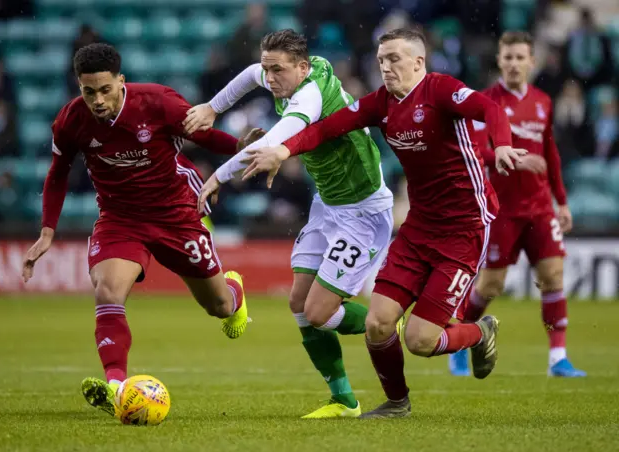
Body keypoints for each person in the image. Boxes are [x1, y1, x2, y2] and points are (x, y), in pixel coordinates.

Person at [240, 28, 526, 418]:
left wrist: (504, 143)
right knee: (377, 324)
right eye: (381, 61)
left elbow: (490, 110)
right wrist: (282, 149)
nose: (386, 67)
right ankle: (397, 403)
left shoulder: (441, 90)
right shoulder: (381, 103)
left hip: (465, 228)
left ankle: (480, 332)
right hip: (418, 226)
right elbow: (326, 128)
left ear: (418, 62)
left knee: (421, 340)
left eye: (394, 59)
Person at [21, 43, 256, 418]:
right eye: (88, 91)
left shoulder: (158, 102)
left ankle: (233, 290)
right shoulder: (71, 120)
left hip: (175, 212)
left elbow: (202, 134)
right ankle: (117, 387)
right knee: (108, 289)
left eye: (104, 90)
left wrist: (239, 147)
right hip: (120, 217)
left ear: (121, 81)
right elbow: (58, 173)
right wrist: (47, 231)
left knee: (218, 307)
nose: (97, 100)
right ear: (79, 87)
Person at [184, 29, 395, 419]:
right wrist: (213, 108)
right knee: (299, 303)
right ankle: (344, 400)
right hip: (328, 205)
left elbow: (274, 143)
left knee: (318, 313)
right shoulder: (282, 72)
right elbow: (250, 75)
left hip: (363, 212)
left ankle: (386, 325)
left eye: (277, 71)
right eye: (269, 68)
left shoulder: (310, 96)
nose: (270, 78)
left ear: (301, 68)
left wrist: (218, 177)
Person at [449, 32, 586, 378]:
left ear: (531, 62)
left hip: (539, 206)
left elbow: (550, 154)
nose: (513, 63)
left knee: (552, 276)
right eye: (507, 57)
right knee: (491, 285)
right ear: (499, 60)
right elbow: (476, 151)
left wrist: (562, 201)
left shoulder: (543, 101)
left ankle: (558, 359)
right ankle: (458, 342)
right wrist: (511, 160)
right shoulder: (484, 102)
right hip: (502, 209)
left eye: (519, 57)